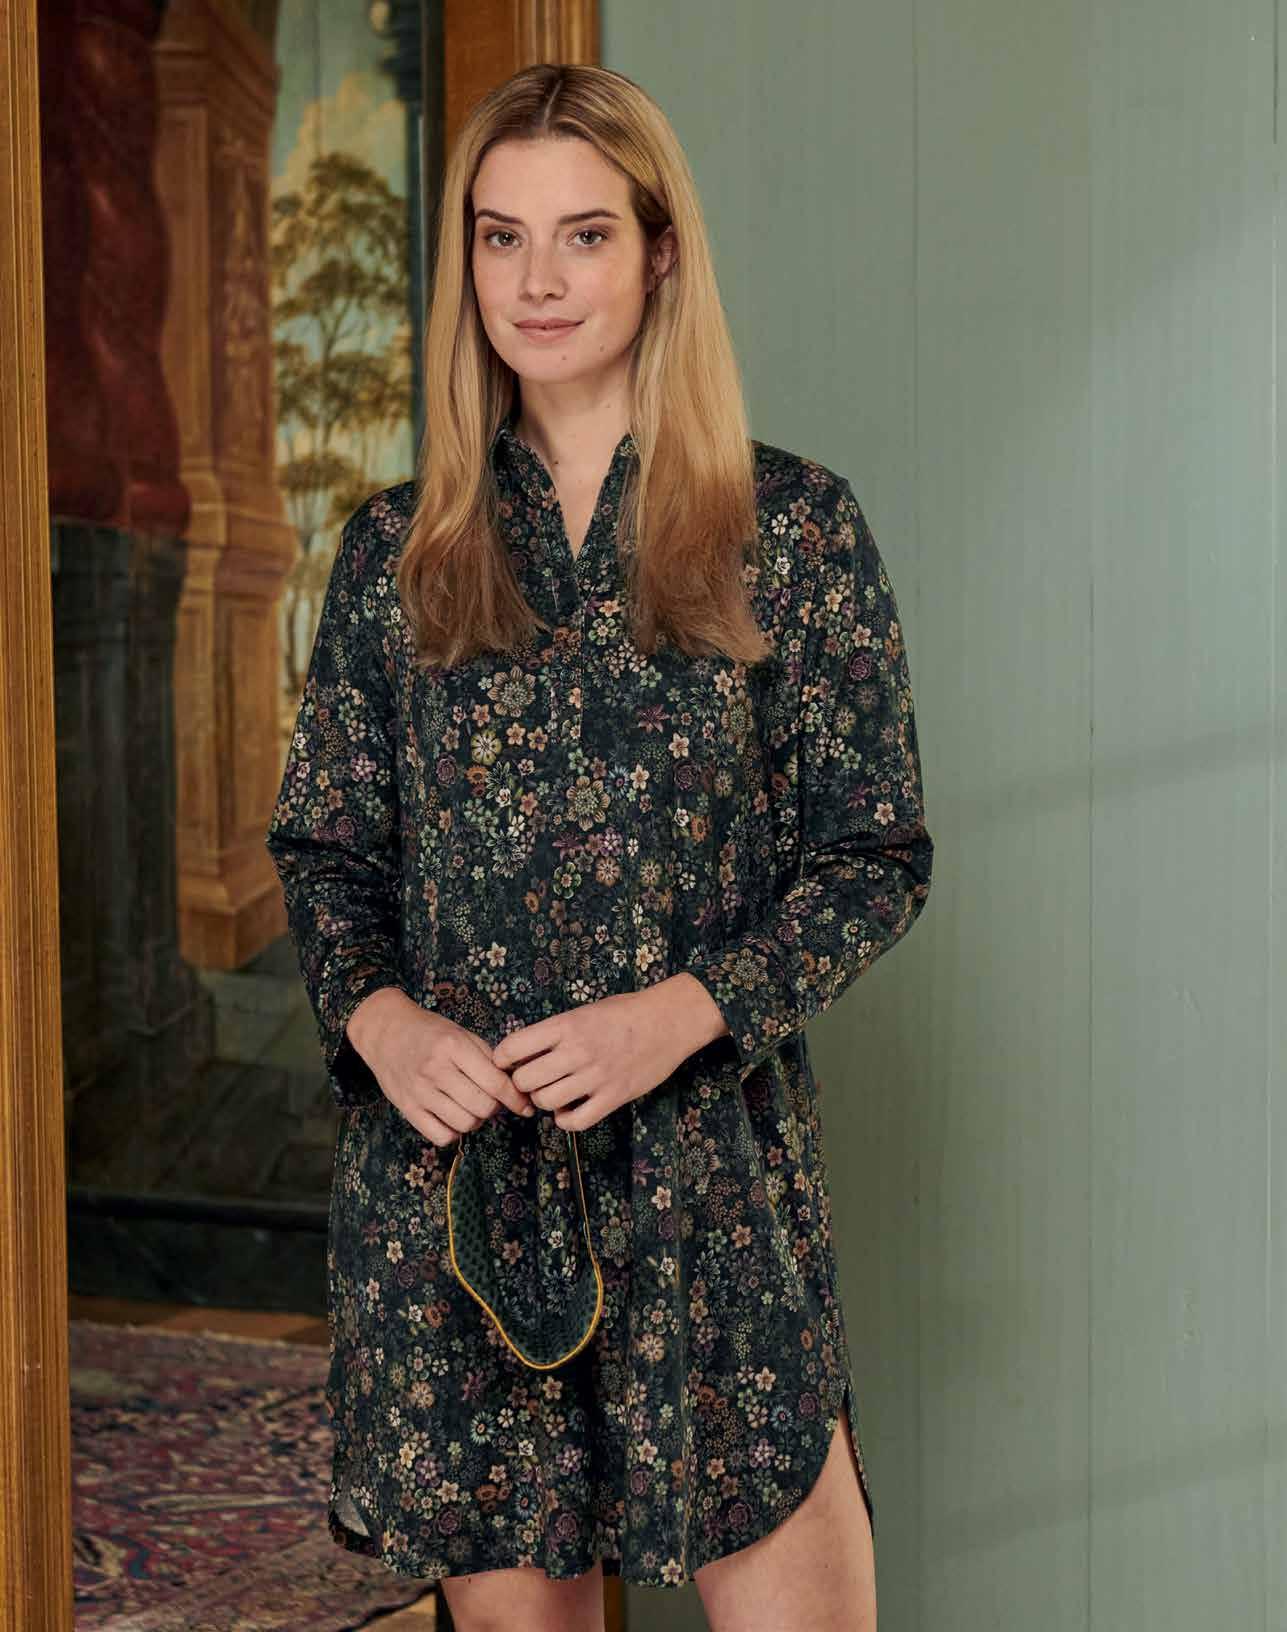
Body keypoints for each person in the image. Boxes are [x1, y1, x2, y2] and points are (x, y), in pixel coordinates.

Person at [265, 61, 932, 1632]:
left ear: (660, 254)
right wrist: (386, 1023)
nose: (539, 281)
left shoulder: (791, 530)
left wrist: (676, 1016)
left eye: (584, 235)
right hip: (462, 1197)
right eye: (502, 238)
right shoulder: (397, 552)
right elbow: (326, 850)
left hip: (710, 1181)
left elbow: (873, 857)